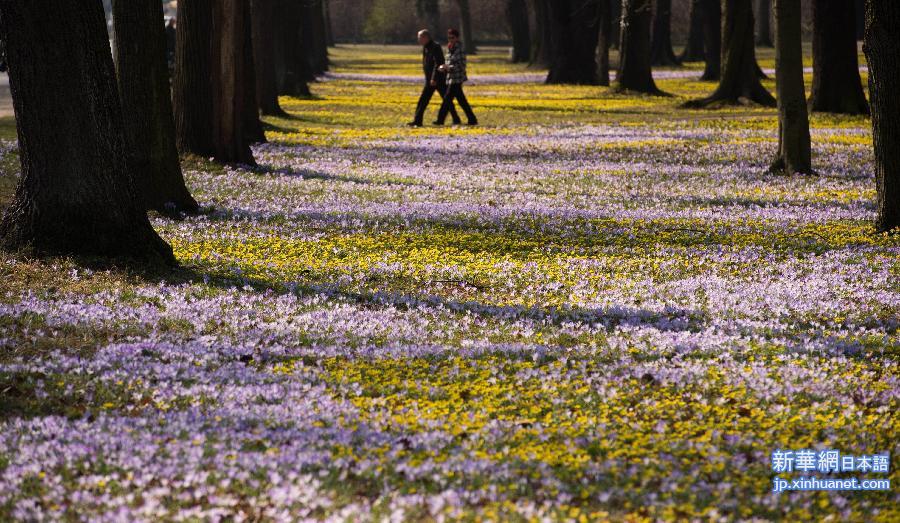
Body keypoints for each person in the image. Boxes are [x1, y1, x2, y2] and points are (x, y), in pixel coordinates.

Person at [407, 29, 459, 127]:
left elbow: (438, 63)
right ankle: (417, 121)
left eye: (420, 38)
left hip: (437, 79)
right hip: (430, 80)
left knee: (444, 100)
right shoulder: (426, 47)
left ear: (426, 37)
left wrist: (434, 78)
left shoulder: (435, 47)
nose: (419, 40)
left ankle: (455, 119)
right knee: (426, 101)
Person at [436, 28, 477, 126]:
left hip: (457, 78)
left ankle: (440, 120)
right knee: (461, 100)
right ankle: (471, 119)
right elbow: (447, 62)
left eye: (452, 37)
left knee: (447, 99)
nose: (450, 39)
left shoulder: (460, 49)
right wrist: (443, 67)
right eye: (449, 37)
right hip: (450, 78)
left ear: (457, 38)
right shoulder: (449, 48)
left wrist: (449, 68)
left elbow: (461, 65)